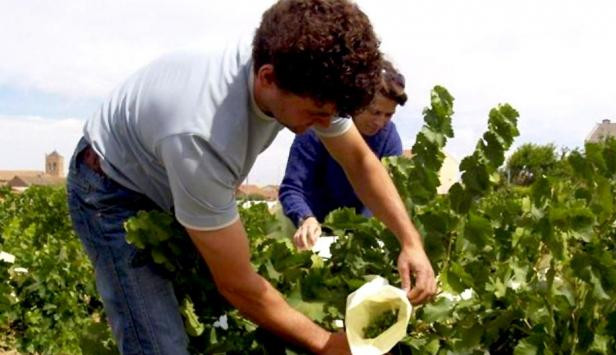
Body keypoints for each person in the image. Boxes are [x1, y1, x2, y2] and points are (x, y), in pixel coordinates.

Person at [66, 0, 436, 353]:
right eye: (317, 112)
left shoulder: (303, 65)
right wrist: (326, 344)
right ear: (267, 78)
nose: (326, 126)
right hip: (111, 191)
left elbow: (359, 162)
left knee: (213, 318)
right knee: (160, 342)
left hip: (170, 175)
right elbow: (238, 284)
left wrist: (410, 241)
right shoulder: (202, 135)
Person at [279, 60, 407, 250]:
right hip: (309, 224)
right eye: (375, 112)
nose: (380, 122)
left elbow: (384, 195)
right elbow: (292, 187)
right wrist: (305, 218)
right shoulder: (318, 125)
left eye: (388, 115)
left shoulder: (389, 138)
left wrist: (362, 233)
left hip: (356, 228)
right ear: (358, 102)